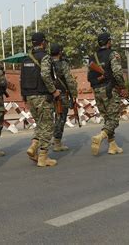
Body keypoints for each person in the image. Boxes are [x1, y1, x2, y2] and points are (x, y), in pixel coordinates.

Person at [21, 33, 59, 167]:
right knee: (48, 126)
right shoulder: (45, 57)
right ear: (43, 43)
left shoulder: (26, 59)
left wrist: (24, 97)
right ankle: (43, 157)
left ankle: (33, 146)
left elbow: (22, 79)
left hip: (30, 97)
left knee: (40, 124)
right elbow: (45, 75)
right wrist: (54, 91)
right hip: (43, 96)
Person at [87, 33, 125, 156]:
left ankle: (112, 146)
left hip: (97, 91)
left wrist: (100, 79)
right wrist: (122, 87)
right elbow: (118, 73)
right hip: (109, 90)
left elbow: (89, 77)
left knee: (107, 118)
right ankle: (100, 136)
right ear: (109, 42)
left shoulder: (92, 57)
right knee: (113, 119)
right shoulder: (113, 54)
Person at [50, 43, 78, 152]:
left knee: (50, 118)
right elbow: (69, 81)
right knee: (60, 117)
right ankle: (57, 142)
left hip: (48, 94)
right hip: (61, 94)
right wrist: (74, 94)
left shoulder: (46, 63)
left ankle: (48, 139)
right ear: (60, 52)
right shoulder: (63, 64)